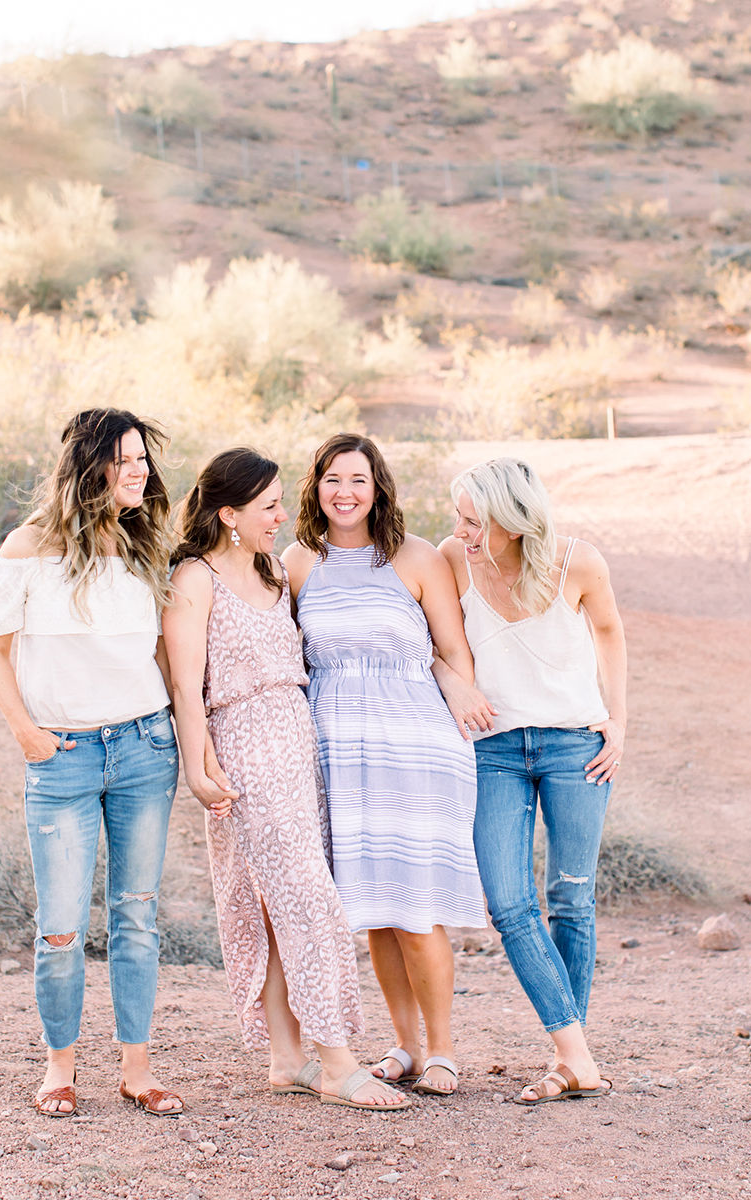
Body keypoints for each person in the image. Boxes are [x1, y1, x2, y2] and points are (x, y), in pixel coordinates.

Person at [162, 447, 409, 1112]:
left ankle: (285, 1058)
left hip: (298, 740)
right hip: (242, 744)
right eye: (267, 505)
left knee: (282, 908)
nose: (281, 514)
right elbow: (185, 684)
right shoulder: (194, 578)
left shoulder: (271, 566)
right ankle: (335, 1060)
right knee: (307, 900)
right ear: (228, 513)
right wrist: (197, 761)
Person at [0, 408, 184, 1118]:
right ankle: (58, 1069)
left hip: (145, 749)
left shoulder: (143, 546)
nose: (139, 472)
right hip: (61, 755)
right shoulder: (28, 546)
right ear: (88, 466)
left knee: (136, 916)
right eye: (124, 459)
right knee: (60, 925)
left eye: (143, 460)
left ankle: (136, 1068)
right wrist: (24, 733)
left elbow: (163, 656)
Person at [282, 433, 491, 1098]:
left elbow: (454, 652)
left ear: (378, 489)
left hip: (416, 748)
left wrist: (445, 676)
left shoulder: (415, 557)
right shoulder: (297, 561)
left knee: (416, 908)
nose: (344, 492)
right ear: (315, 488)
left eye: (358, 480)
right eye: (332, 479)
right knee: (371, 910)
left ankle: (442, 1050)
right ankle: (400, 1044)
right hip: (339, 752)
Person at [438, 456, 625, 1105]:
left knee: (570, 898)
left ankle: (566, 1054)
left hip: (575, 745)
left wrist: (619, 722)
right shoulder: (452, 558)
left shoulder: (578, 562)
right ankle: (575, 1052)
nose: (458, 530)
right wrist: (452, 680)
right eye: (457, 517)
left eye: (471, 520)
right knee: (507, 903)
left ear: (512, 523)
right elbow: (428, 639)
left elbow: (609, 633)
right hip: (492, 750)